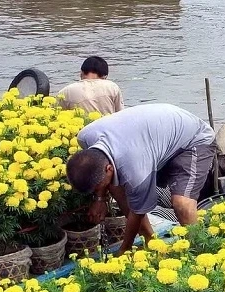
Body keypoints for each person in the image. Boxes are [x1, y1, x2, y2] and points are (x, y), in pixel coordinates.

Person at [65, 103, 216, 255]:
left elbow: (138, 212)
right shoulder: (85, 137)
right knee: (115, 185)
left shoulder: (136, 170)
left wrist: (125, 248)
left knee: (181, 203)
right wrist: (99, 198)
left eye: (97, 186)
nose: (98, 189)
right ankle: (151, 242)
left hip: (194, 140)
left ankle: (199, 252)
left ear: (109, 168)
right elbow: (100, 169)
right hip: (157, 137)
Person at [57, 56, 124, 115]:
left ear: (81, 72)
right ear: (105, 76)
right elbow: (120, 115)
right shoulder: (112, 87)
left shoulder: (66, 91)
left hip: (80, 128)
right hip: (107, 128)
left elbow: (56, 114)